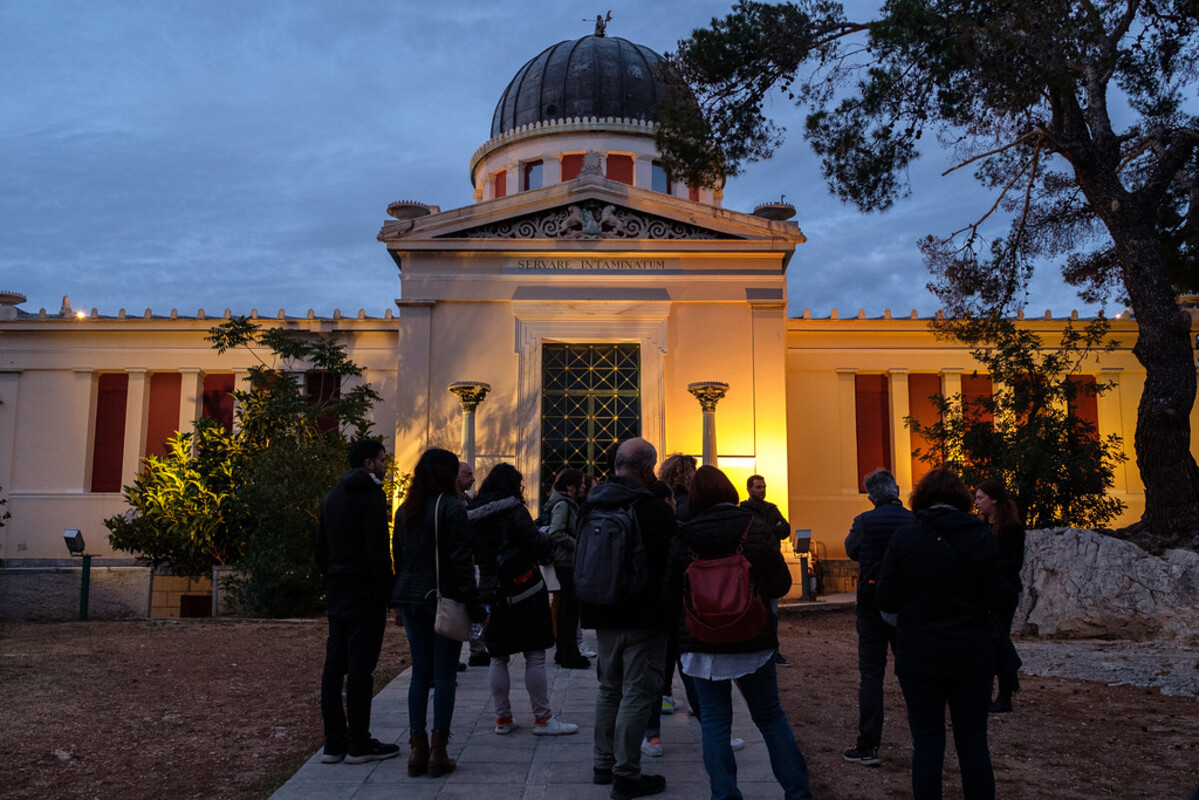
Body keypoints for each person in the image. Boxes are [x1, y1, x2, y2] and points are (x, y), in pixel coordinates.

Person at [672, 465, 815, 800]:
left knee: (714, 723)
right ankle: (797, 793)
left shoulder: (684, 535)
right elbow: (781, 583)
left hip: (702, 640)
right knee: (770, 717)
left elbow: (670, 590)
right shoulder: (756, 529)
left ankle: (724, 795)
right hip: (752, 636)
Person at [876, 468, 1013, 800]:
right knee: (973, 743)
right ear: (962, 499)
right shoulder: (980, 536)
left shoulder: (905, 538)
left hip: (920, 655)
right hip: (971, 654)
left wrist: (911, 624)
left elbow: (884, 601)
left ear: (921, 498)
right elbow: (1002, 598)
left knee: (926, 742)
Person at [579, 437, 674, 800]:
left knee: (608, 689)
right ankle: (627, 774)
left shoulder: (592, 503)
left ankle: (602, 763)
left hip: (602, 610)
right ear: (648, 469)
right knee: (637, 692)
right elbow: (668, 561)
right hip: (644, 615)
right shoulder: (654, 510)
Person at [391, 448, 487, 778]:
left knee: (421, 673)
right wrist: (476, 608)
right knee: (445, 675)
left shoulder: (405, 510)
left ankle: (416, 751)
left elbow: (398, 558)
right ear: (447, 473)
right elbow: (462, 563)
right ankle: (438, 751)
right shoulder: (451, 507)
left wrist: (396, 602)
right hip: (441, 596)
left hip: (411, 598)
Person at [468, 463, 578, 736]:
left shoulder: (472, 514)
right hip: (524, 589)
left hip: (490, 592)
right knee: (535, 655)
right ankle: (542, 718)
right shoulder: (515, 510)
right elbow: (539, 545)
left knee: (498, 657)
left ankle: (502, 719)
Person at [317, 438, 400, 765]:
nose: (385, 465)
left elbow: (321, 550)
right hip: (365, 590)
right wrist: (389, 594)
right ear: (368, 464)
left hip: (337, 587)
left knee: (334, 667)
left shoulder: (332, 497)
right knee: (361, 669)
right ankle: (359, 742)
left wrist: (330, 578)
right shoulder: (372, 496)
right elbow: (379, 551)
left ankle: (333, 743)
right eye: (381, 459)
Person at [841, 468, 915, 767]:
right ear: (896, 490)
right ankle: (924, 739)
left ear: (871, 495)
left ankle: (868, 744)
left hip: (872, 605)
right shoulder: (914, 520)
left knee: (871, 675)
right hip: (907, 606)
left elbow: (851, 550)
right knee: (911, 674)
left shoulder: (864, 522)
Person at [975, 479, 1026, 713]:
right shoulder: (984, 527)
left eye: (980, 497)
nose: (977, 502)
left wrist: (988, 564)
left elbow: (1014, 562)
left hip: (1003, 593)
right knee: (993, 641)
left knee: (999, 640)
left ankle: (1005, 694)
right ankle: (1005, 687)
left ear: (994, 499)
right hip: (988, 592)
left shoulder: (1011, 528)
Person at [740, 474, 792, 668]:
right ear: (749, 489)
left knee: (772, 611)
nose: (762, 490)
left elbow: (785, 529)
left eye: (763, 487)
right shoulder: (744, 511)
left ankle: (773, 651)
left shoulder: (771, 509)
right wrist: (771, 528)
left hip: (771, 568)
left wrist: (764, 529)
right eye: (758, 487)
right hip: (752, 569)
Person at [543, 467, 590, 669]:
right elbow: (556, 532)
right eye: (580, 483)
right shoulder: (563, 505)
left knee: (567, 608)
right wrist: (577, 543)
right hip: (566, 561)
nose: (583, 487)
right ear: (570, 486)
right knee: (569, 609)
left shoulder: (566, 503)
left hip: (567, 560)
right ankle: (568, 653)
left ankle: (564, 651)